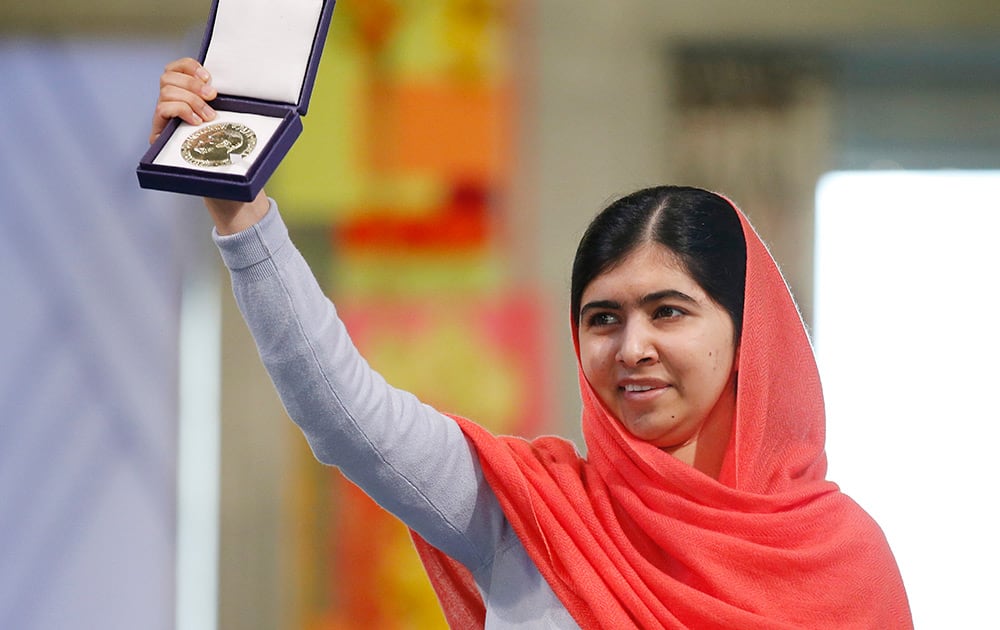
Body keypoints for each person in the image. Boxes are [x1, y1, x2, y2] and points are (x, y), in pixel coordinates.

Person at [152, 58, 913, 629]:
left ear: (750, 335)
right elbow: (343, 411)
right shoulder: (529, 512)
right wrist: (239, 211)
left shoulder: (843, 561)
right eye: (603, 318)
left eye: (669, 311)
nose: (631, 347)